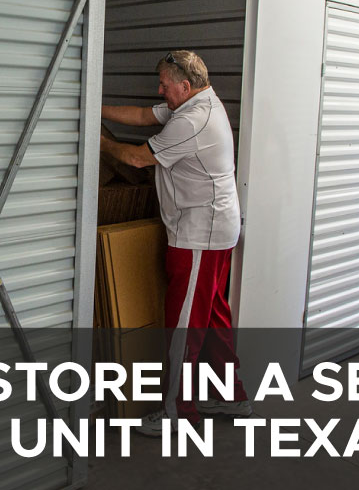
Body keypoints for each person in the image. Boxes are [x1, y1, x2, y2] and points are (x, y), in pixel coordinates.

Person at [99, 50, 251, 437]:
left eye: (164, 85)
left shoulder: (194, 121)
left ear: (184, 85)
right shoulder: (196, 103)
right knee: (213, 317)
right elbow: (142, 116)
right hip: (213, 231)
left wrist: (98, 141)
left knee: (184, 324)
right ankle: (230, 396)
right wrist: (93, 107)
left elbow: (135, 159)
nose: (160, 91)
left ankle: (176, 412)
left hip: (200, 235)